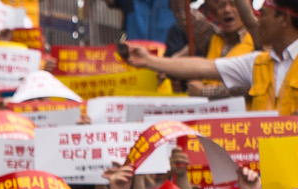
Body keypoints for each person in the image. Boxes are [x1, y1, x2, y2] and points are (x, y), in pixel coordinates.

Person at [122, 0, 298, 108]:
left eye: (263, 15)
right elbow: (203, 67)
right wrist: (148, 60)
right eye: (221, 5)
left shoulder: (255, 44)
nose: (259, 21)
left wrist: (205, 91)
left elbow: (239, 90)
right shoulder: (258, 63)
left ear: (283, 19)